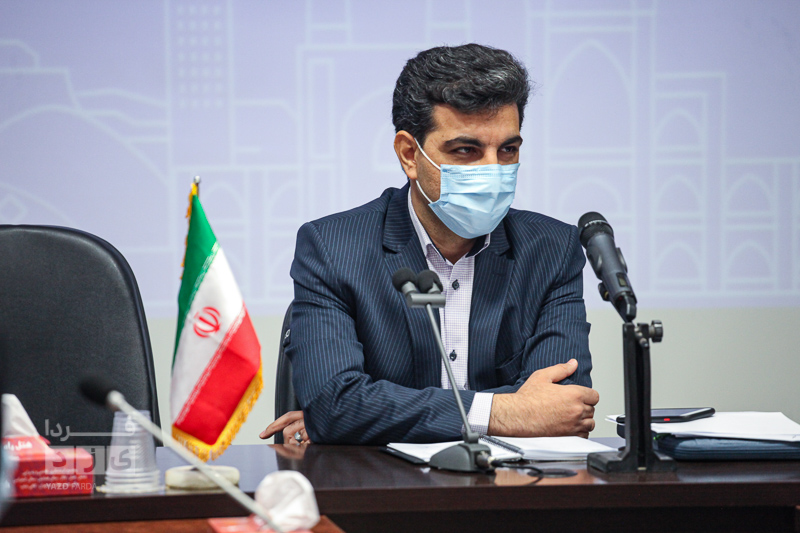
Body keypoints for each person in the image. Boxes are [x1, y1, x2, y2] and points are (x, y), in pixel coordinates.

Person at [261, 43, 599, 446]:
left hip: (510, 481)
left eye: (508, 150)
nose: (493, 169)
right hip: (383, 484)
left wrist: (374, 413)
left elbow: (562, 403)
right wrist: (507, 411)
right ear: (409, 154)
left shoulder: (552, 250)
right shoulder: (333, 248)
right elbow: (336, 405)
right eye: (466, 150)